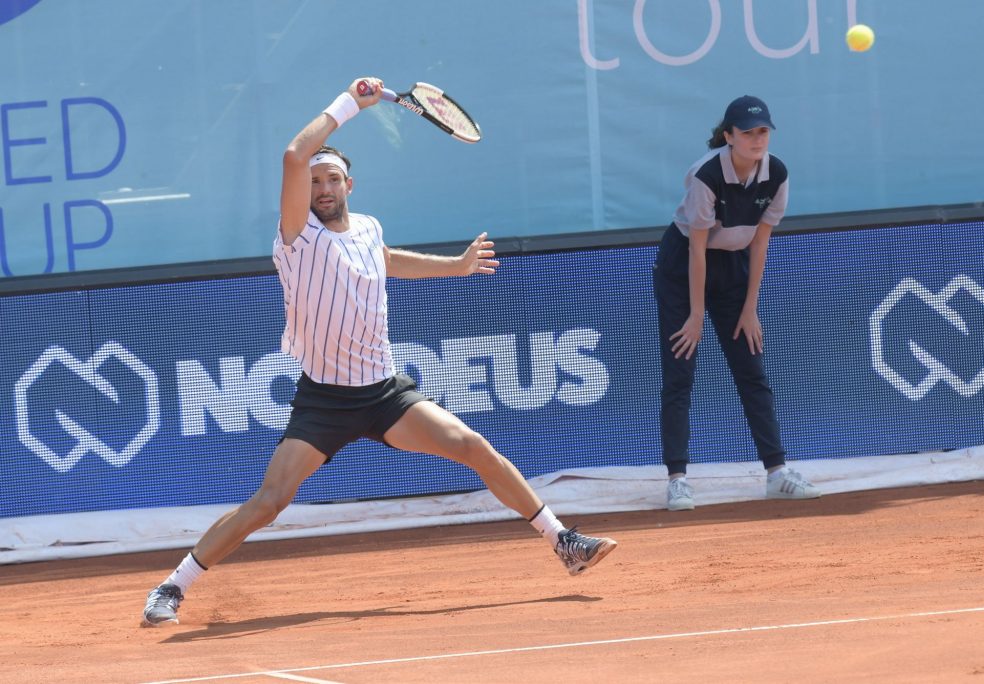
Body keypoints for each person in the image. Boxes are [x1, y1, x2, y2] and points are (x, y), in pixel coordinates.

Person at [141, 77, 617, 627]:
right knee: (269, 502)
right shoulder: (295, 237)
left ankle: (564, 542)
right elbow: (293, 154)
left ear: (350, 185)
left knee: (475, 446)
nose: (322, 186)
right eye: (315, 180)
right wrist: (350, 104)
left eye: (332, 178)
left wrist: (455, 266)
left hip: (386, 392)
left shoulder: (367, 228)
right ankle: (173, 587)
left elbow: (388, 259)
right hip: (324, 401)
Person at [653, 95, 821, 511]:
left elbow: (760, 244)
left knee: (752, 369)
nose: (756, 139)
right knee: (680, 373)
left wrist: (750, 308)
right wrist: (695, 314)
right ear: (728, 136)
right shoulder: (706, 175)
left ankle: (777, 473)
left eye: (762, 131)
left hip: (734, 269)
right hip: (683, 270)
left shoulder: (776, 173)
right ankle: (677, 479)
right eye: (747, 132)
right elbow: (696, 251)